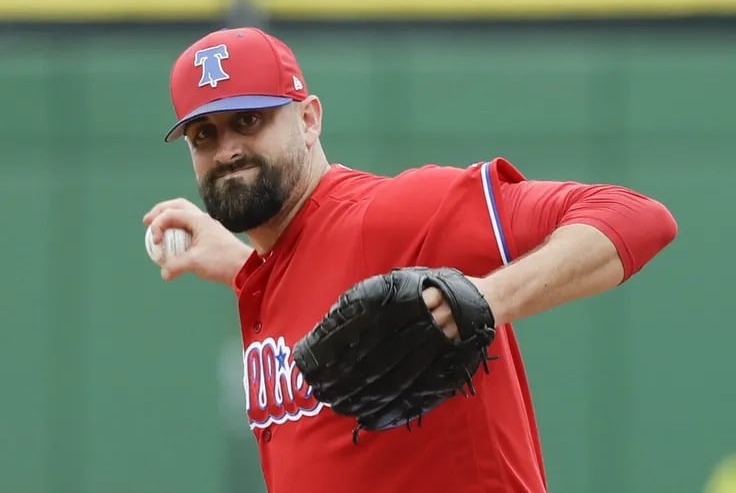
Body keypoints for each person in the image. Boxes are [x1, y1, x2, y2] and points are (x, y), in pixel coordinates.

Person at [144, 27, 678, 493]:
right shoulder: (267, 273)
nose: (228, 149)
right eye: (204, 135)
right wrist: (237, 261)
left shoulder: (393, 213)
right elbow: (317, 275)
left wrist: (485, 299)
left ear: (308, 120)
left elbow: (634, 216)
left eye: (249, 120)